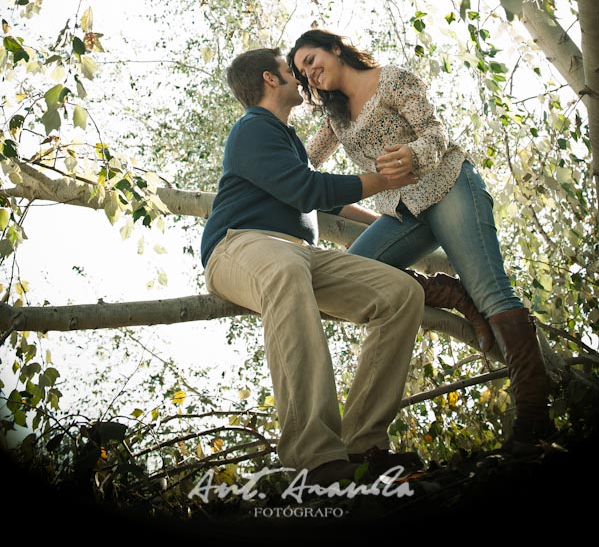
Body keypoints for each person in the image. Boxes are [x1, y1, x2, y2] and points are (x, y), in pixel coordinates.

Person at [200, 47, 488, 488]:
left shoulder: (288, 141)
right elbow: (306, 188)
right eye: (289, 68)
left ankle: (363, 445)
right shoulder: (252, 129)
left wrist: (392, 217)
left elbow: (329, 200)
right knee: (285, 271)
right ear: (270, 79)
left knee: (399, 294)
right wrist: (385, 180)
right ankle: (315, 455)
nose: (301, 77)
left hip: (300, 255)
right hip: (240, 246)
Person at [288, 29, 554, 454]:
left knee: (491, 291)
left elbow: (436, 134)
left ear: (334, 49)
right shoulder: (336, 119)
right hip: (404, 213)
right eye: (302, 72)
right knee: (349, 277)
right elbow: (302, 163)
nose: (310, 72)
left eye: (311, 59)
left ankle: (535, 420)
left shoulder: (392, 79)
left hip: (448, 184)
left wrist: (414, 155)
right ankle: (446, 292)